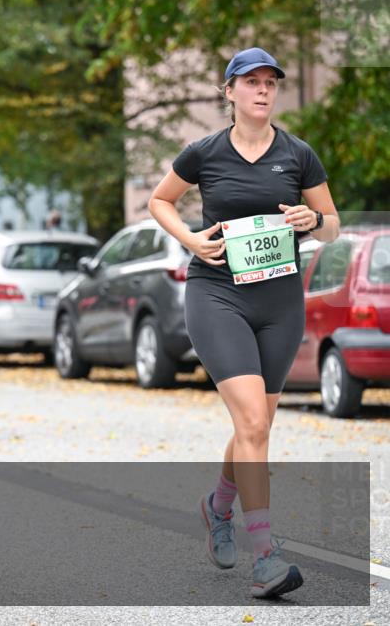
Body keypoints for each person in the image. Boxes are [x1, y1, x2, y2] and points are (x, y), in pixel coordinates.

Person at [148, 47, 339, 599]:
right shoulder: (202, 152)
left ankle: (218, 507)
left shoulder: (298, 154)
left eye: (270, 82)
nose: (262, 90)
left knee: (255, 426)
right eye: (250, 81)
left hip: (279, 303)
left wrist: (313, 219)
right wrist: (188, 238)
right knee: (253, 421)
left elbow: (331, 225)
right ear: (228, 91)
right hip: (218, 295)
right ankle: (266, 556)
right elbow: (161, 201)